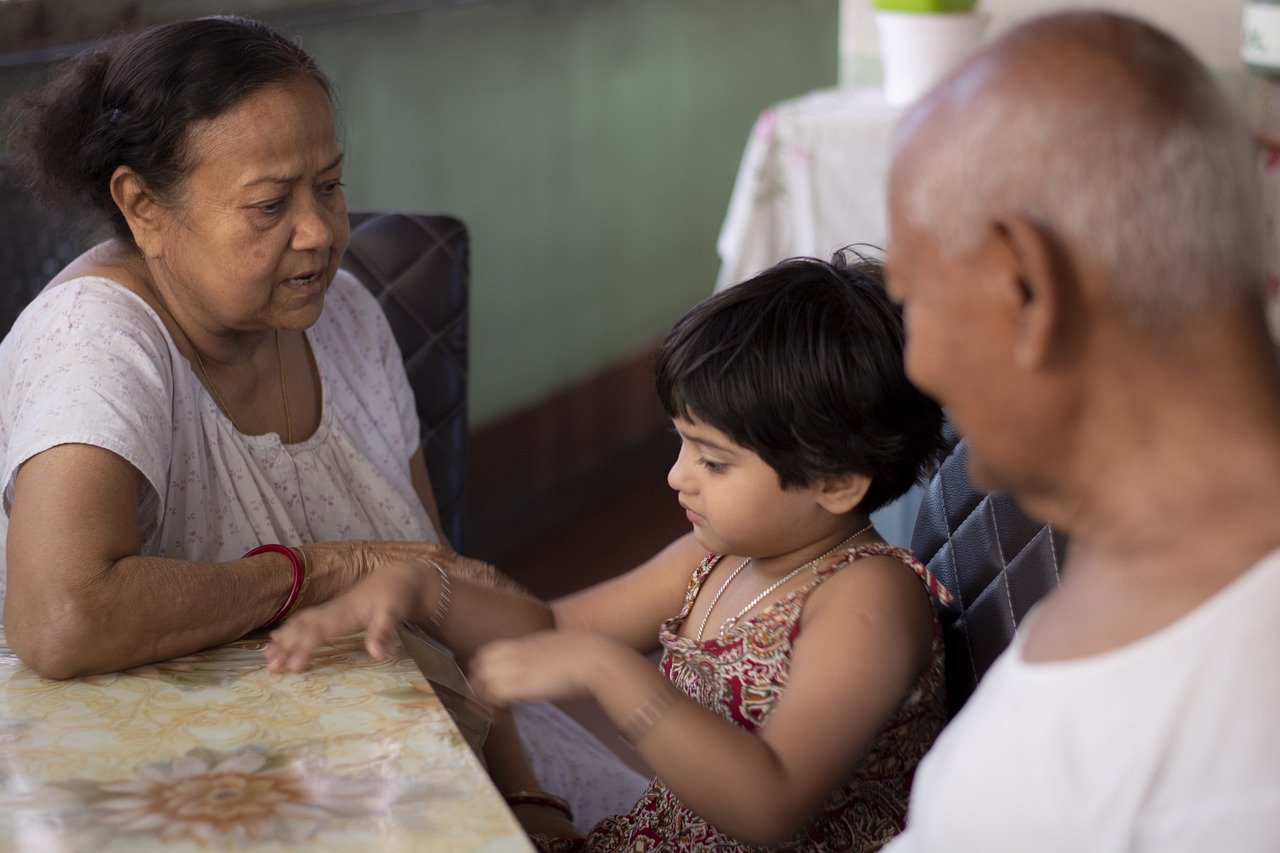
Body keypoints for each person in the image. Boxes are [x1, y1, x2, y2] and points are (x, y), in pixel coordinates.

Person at [0, 15, 644, 832]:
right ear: (142, 206)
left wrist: (521, 793)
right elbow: (62, 617)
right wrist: (325, 569)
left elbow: (447, 602)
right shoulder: (96, 340)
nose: (321, 234)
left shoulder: (343, 317)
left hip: (397, 752)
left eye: (329, 186)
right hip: (166, 799)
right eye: (269, 204)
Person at [266, 251, 951, 850]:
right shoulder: (716, 558)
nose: (677, 475)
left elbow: (771, 804)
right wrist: (421, 588)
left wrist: (609, 671)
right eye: (683, 444)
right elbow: (549, 628)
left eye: (713, 461)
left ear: (836, 481)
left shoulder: (869, 599)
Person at [881, 11, 1280, 852]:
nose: (915, 363)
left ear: (1023, 283)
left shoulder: (1191, 756)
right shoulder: (1161, 559)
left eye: (911, 297)